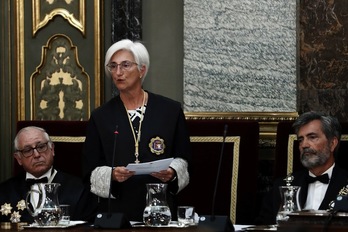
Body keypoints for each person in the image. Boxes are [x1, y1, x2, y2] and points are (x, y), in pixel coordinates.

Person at [82, 39, 192, 222]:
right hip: (118, 210)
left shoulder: (170, 110)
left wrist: (172, 172)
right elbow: (89, 170)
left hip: (160, 206)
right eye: (113, 66)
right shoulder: (101, 116)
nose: (118, 72)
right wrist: (112, 175)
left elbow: (185, 158)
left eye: (125, 65)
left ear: (142, 70)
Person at [255, 111, 348, 225]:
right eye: (301, 140)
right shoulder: (282, 186)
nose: (304, 145)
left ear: (332, 143)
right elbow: (262, 226)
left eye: (312, 137)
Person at [0, 126, 96, 223]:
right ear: (19, 159)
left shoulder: (80, 189)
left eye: (41, 147)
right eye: (28, 150)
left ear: (52, 149)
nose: (37, 155)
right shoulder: (4, 192)